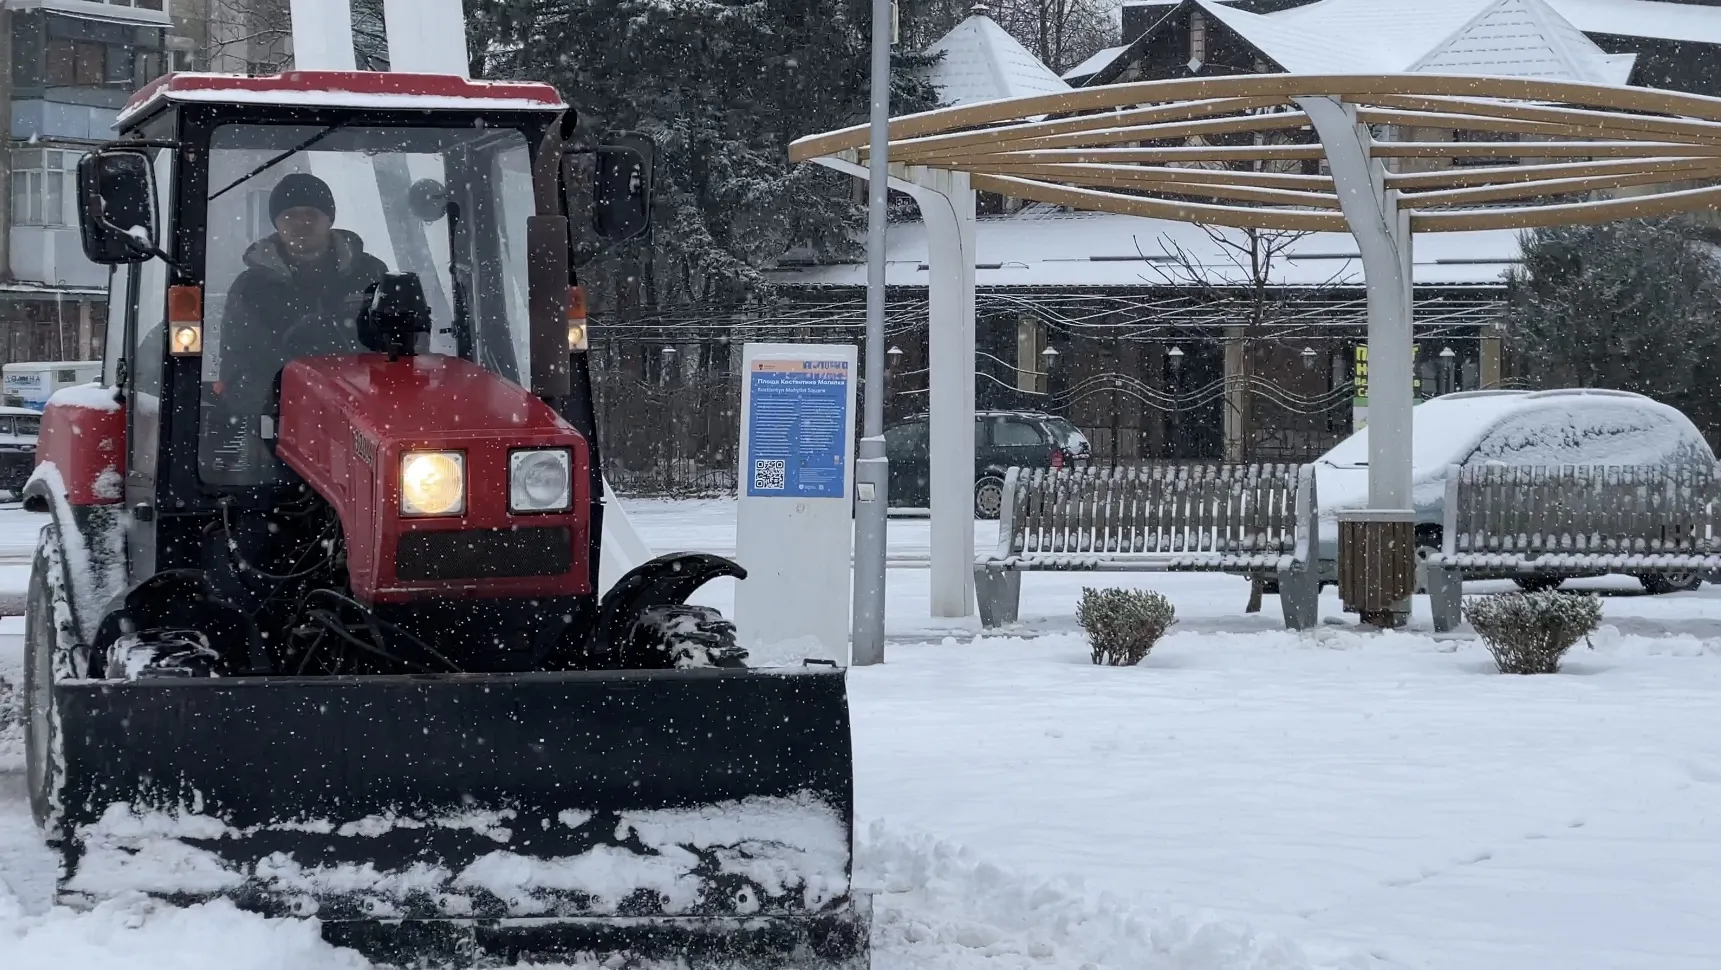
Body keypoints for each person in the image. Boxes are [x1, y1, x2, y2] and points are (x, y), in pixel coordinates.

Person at [218, 173, 389, 414]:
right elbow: (240, 363)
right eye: (290, 215)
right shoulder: (251, 288)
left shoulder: (370, 273)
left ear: (329, 219)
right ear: (277, 223)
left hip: (365, 410)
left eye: (311, 214)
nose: (301, 223)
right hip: (281, 415)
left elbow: (399, 345)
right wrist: (281, 406)